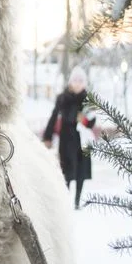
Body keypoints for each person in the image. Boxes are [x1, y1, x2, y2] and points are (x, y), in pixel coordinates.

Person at [43, 66, 96, 209]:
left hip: (82, 141)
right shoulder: (62, 98)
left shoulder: (88, 100)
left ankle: (77, 202)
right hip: (66, 141)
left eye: (81, 80)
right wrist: (48, 136)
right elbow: (55, 117)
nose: (78, 83)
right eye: (75, 80)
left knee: (81, 173)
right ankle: (66, 201)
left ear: (84, 82)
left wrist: (84, 120)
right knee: (66, 173)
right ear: (70, 82)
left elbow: (91, 122)